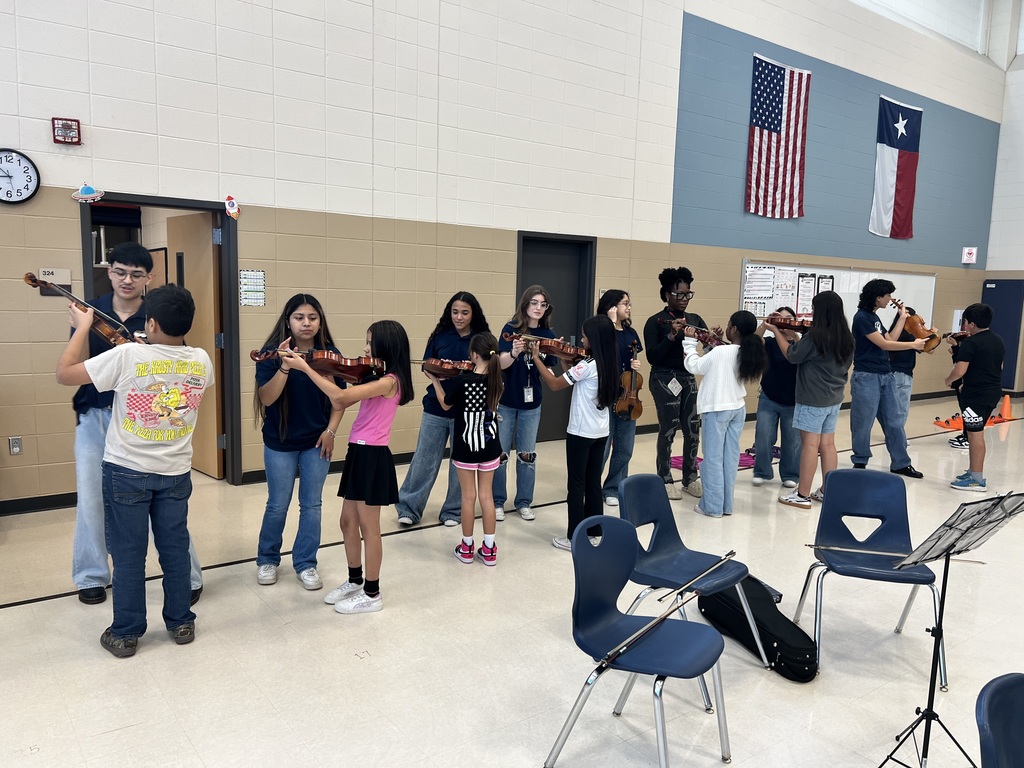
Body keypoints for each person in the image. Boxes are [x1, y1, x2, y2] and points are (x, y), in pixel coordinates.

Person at [56, 284, 212, 658]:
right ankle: (180, 622)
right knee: (174, 551)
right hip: (175, 473)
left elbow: (65, 374)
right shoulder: (202, 360)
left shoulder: (127, 356)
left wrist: (82, 327)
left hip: (127, 472)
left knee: (128, 555)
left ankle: (126, 632)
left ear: (151, 322)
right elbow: (170, 367)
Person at [67, 242, 203, 606]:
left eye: (136, 274)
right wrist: (83, 329)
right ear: (109, 271)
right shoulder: (90, 312)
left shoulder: (160, 312)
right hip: (97, 414)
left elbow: (176, 364)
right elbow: (76, 367)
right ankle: (92, 574)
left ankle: (187, 576)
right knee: (93, 498)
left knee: (165, 510)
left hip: (148, 417)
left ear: (149, 278)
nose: (127, 280)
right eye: (120, 271)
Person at [284, 320, 414, 613]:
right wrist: (320, 366)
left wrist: (306, 368)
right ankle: (355, 580)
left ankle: (372, 593)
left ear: (386, 346)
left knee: (370, 528)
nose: (365, 349)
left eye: (370, 343)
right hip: (358, 452)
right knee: (347, 523)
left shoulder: (389, 381)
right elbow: (343, 395)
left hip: (373, 456)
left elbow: (340, 399)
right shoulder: (374, 376)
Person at [253, 294, 344, 591]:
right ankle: (267, 558)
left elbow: (338, 400)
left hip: (316, 441)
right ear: (288, 321)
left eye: (312, 318)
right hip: (280, 441)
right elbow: (267, 398)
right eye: (299, 317)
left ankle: (306, 563)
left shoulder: (330, 355)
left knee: (312, 504)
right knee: (278, 504)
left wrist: (330, 432)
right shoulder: (271, 354)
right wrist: (285, 366)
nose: (306, 323)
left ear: (320, 322)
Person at [396, 292, 491, 526]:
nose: (459, 317)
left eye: (465, 312)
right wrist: (437, 372)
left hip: (467, 411)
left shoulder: (481, 339)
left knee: (461, 463)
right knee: (424, 459)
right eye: (455, 312)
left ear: (473, 314)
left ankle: (453, 511)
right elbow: (428, 366)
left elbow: (490, 369)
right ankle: (409, 508)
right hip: (435, 407)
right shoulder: (440, 336)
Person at [533, 315, 619, 551]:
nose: (581, 339)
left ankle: (573, 537)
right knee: (593, 483)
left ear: (594, 339)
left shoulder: (587, 366)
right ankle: (595, 532)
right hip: (600, 432)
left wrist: (536, 358)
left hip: (580, 433)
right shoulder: (607, 362)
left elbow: (554, 384)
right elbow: (570, 376)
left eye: (584, 336)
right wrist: (564, 358)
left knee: (576, 485)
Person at [769, 292, 854, 509]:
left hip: (812, 399)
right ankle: (828, 490)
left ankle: (802, 494)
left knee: (809, 445)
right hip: (834, 398)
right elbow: (814, 355)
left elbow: (793, 355)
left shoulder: (816, 336)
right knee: (828, 444)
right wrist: (796, 336)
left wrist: (777, 332)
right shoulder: (845, 336)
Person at [425, 333, 504, 565]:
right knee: (487, 497)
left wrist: (436, 381)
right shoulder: (498, 380)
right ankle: (489, 550)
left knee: (468, 497)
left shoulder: (463, 381)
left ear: (473, 355)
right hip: (490, 446)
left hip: (466, 446)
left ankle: (467, 548)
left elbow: (445, 403)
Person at [643, 266, 719, 500]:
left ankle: (690, 477)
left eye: (688, 294)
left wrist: (713, 339)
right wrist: (671, 336)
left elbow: (708, 350)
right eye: (679, 294)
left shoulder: (695, 320)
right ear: (667, 295)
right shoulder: (655, 321)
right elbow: (652, 357)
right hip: (664, 378)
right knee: (668, 429)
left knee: (693, 429)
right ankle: (664, 479)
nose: (684, 299)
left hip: (687, 378)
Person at [683, 311, 767, 518]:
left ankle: (712, 506)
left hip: (717, 409)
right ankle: (726, 505)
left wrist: (688, 342)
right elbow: (718, 360)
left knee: (712, 459)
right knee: (729, 459)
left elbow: (693, 365)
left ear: (734, 329)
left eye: (729, 325)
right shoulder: (745, 351)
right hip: (737, 409)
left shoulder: (722, 352)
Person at [493, 286, 558, 522]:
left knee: (527, 454)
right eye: (534, 303)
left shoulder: (548, 335)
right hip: (507, 400)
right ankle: (497, 501)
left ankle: (524, 502)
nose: (538, 308)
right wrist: (513, 353)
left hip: (532, 403)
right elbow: (499, 364)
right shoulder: (510, 329)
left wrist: (543, 355)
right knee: (500, 454)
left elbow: (549, 367)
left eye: (543, 304)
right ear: (525, 305)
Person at [849, 279, 926, 476]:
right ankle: (860, 462)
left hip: (885, 375)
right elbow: (884, 345)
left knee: (894, 421)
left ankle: (900, 463)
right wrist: (913, 345)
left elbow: (890, 339)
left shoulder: (874, 317)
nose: (890, 299)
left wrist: (902, 318)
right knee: (863, 422)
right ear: (878, 297)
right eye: (888, 295)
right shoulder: (862, 318)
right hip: (867, 377)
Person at [944, 303, 1004, 492]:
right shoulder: (997, 340)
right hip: (992, 392)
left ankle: (977, 479)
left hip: (976, 396)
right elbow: (999, 366)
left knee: (975, 435)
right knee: (973, 432)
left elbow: (960, 370)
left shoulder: (971, 343)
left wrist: (949, 380)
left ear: (970, 323)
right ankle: (972, 471)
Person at [595, 289, 643, 505]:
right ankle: (593, 486)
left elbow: (631, 358)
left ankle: (613, 488)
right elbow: (604, 352)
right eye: (625, 303)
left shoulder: (631, 333)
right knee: (603, 448)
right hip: (607, 395)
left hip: (628, 396)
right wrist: (611, 323)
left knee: (624, 449)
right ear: (612, 306)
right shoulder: (601, 330)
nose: (629, 307)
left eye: (629, 303)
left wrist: (635, 365)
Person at [752, 307, 801, 489]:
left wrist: (794, 334)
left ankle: (790, 474)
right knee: (764, 435)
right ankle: (761, 471)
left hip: (794, 400)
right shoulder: (770, 342)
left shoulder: (799, 343)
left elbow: (798, 354)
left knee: (793, 440)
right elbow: (753, 343)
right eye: (781, 318)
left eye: (789, 318)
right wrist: (765, 325)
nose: (784, 322)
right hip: (769, 397)